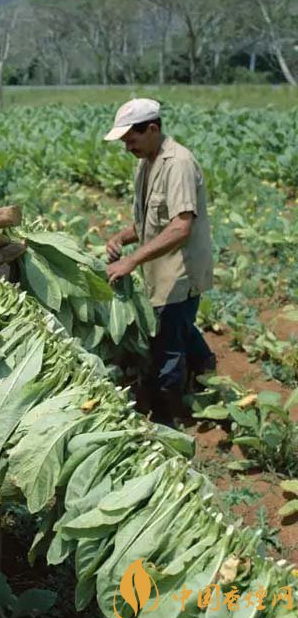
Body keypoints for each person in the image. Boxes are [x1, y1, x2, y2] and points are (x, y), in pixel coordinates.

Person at [103, 98, 216, 423]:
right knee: (175, 326)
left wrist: (130, 262)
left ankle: (171, 418)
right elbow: (147, 223)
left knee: (167, 348)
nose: (127, 147)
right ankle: (205, 365)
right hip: (158, 268)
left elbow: (181, 226)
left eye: (131, 139)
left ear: (152, 129)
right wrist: (121, 239)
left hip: (179, 270)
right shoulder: (146, 162)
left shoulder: (178, 163)